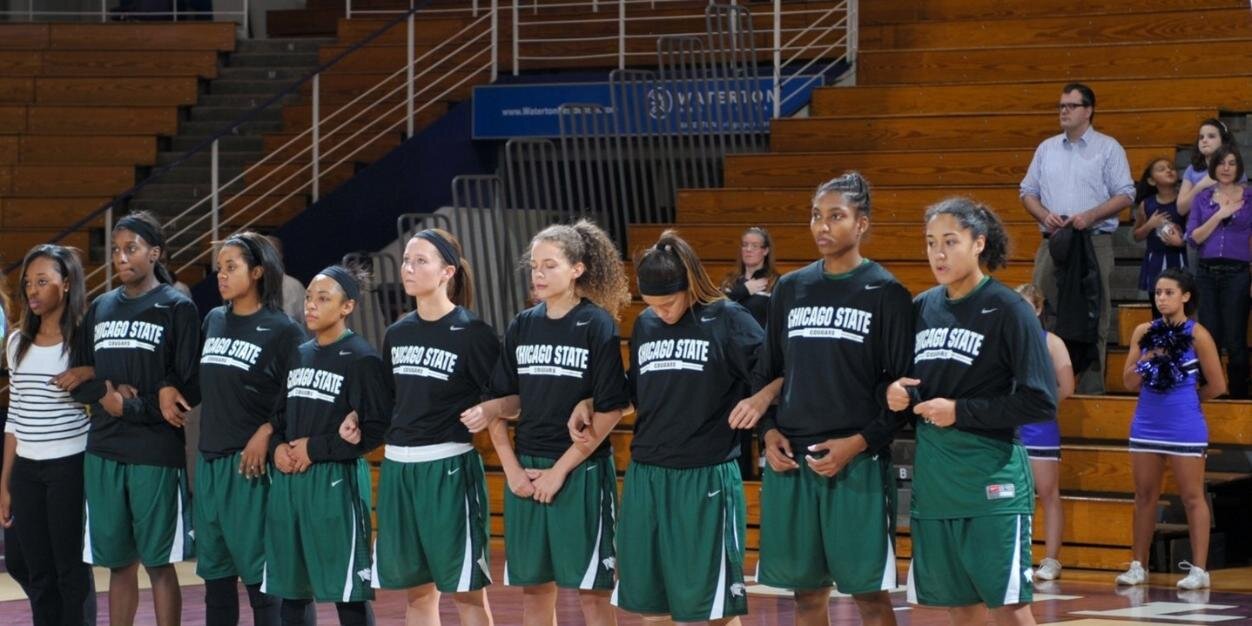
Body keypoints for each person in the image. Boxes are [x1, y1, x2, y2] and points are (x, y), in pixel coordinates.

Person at [745, 172, 913, 626]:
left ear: (861, 224)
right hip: (794, 462)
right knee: (806, 597)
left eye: (835, 216)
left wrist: (857, 444)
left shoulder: (887, 292)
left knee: (871, 598)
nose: (822, 226)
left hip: (856, 462)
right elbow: (769, 372)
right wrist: (769, 431)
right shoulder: (791, 288)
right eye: (816, 216)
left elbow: (903, 396)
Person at [888, 197, 1057, 626]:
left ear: (979, 243)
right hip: (936, 482)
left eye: (949, 241)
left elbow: (1040, 400)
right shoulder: (921, 308)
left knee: (1009, 606)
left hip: (991, 480)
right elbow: (910, 385)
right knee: (958, 605)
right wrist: (894, 394)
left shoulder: (1009, 309)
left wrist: (960, 411)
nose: (938, 254)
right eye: (930, 243)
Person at [461, 219, 631, 626]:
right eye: (535, 265)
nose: (538, 273)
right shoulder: (523, 324)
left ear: (577, 269)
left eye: (550, 265)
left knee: (593, 593)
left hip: (580, 470)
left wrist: (558, 472)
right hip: (528, 469)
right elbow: (505, 400)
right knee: (535, 593)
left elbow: (611, 409)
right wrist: (512, 467)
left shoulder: (597, 324)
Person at [611, 231, 762, 625]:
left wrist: (759, 399)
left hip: (704, 473)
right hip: (647, 473)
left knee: (711, 610)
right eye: (651, 304)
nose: (660, 311)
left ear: (689, 285)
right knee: (651, 605)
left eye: (668, 302)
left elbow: (778, 371)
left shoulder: (727, 317)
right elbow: (639, 393)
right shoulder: (645, 324)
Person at [73, 211, 200, 626]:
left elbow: (189, 386)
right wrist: (105, 391)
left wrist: (132, 406)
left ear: (154, 252)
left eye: (131, 249)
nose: (121, 258)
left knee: (158, 564)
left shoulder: (176, 307)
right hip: (104, 449)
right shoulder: (101, 308)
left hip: (154, 452)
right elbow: (80, 374)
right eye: (115, 250)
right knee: (118, 565)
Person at [371, 229, 498, 626]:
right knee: (418, 595)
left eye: (420, 261)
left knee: (466, 595)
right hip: (398, 468)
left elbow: (511, 400)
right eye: (406, 260)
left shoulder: (473, 333)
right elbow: (391, 400)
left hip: (447, 468)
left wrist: (491, 408)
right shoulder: (397, 332)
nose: (408, 268)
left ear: (447, 271)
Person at [263, 265, 392, 626]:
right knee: (292, 589)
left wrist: (314, 449)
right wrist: (276, 448)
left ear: (347, 306)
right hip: (290, 482)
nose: (312, 306)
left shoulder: (361, 358)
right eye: (308, 298)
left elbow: (376, 428)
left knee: (346, 591)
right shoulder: (299, 354)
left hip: (335, 483)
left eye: (323, 299)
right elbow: (279, 418)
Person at [196, 232, 304, 626]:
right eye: (219, 268)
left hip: (252, 468)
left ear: (257, 272)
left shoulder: (283, 330)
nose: (221, 276)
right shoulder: (213, 320)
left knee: (262, 586)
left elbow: (300, 397)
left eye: (231, 267)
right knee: (216, 584)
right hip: (209, 465)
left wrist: (267, 432)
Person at [1020, 82, 1136, 394]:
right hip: (1053, 240)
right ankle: (1040, 384)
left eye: (1071, 106)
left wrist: (1090, 215)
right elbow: (1027, 192)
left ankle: (1092, 390)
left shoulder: (1108, 147)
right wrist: (1045, 215)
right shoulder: (1046, 148)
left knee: (1094, 313)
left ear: (1088, 110)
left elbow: (1126, 194)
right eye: (1061, 106)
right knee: (1037, 307)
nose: (1064, 111)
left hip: (1093, 239)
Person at [1115, 269, 1226, 590]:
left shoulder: (1198, 334)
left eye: (1168, 292)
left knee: (1192, 496)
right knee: (1144, 496)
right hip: (1146, 423)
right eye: (1158, 293)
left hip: (1185, 425)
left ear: (1186, 296)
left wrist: (1191, 402)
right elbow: (1128, 382)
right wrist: (1149, 355)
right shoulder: (1142, 332)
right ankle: (1138, 565)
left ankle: (1199, 569)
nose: (1161, 298)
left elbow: (1218, 385)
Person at [1, 245, 94, 625]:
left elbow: (107, 391)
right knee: (35, 572)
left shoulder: (83, 341)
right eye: (27, 283)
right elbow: (14, 417)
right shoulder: (16, 342)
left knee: (70, 570)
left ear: (67, 284)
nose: (32, 291)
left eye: (43, 281)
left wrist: (88, 373)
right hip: (26, 468)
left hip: (70, 465)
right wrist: (5, 483)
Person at [1012, 284, 1075, 581]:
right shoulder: (1004, 339)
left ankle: (1051, 559)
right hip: (1009, 428)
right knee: (1011, 496)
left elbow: (1068, 387)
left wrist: (1038, 406)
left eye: (1026, 306)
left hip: (1040, 429)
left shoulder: (1052, 342)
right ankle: (1016, 555)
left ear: (1037, 308)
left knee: (1048, 494)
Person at [1185, 145, 1251, 399]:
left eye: (1232, 163)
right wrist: (1220, 214)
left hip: (1238, 273)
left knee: (1235, 336)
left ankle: (1239, 397)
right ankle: (1211, 393)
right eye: (1222, 163)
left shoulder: (1249, 197)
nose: (1226, 168)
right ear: (1214, 167)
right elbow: (1193, 237)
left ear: (1239, 168)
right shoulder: (1202, 199)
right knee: (1208, 335)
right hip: (1206, 273)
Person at [1131, 158, 1187, 318]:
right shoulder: (1146, 204)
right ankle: (1161, 341)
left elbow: (1192, 233)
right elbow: (1136, 235)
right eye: (1161, 169)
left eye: (1171, 168)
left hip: (1180, 260)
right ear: (1151, 180)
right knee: (1158, 310)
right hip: (1155, 261)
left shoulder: (1184, 201)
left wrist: (1181, 240)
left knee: (1182, 309)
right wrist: (1150, 224)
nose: (1168, 170)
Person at [1177, 118, 1243, 216]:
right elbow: (1181, 209)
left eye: (1211, 136)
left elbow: (1241, 205)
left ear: (1224, 141)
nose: (1204, 140)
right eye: (1201, 137)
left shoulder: (1233, 168)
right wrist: (1201, 185)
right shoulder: (1192, 169)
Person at [720, 226, 780, 329]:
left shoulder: (775, 282)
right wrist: (744, 290)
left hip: (760, 343)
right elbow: (715, 308)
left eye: (755, 246)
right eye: (745, 245)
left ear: (765, 251)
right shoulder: (730, 282)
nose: (748, 249)